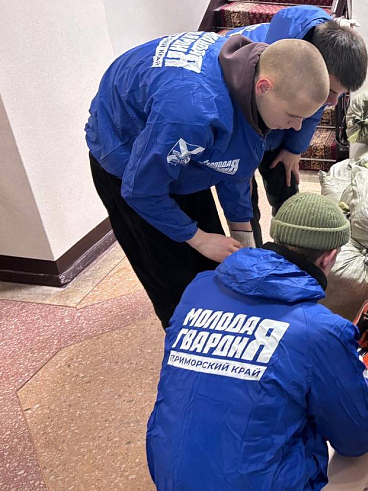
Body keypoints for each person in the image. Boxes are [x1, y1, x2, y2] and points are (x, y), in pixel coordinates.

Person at [146, 192, 368, 491]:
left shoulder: (199, 289)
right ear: (330, 256)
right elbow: (357, 441)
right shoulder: (320, 329)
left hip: (171, 478)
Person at [86, 33, 329, 328]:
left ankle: (218, 321)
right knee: (173, 276)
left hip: (176, 145)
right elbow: (141, 190)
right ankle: (186, 335)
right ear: (264, 87)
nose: (297, 127)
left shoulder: (255, 76)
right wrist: (198, 238)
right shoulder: (192, 114)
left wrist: (243, 238)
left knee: (214, 260)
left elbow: (235, 160)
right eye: (292, 115)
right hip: (127, 157)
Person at [227, 6, 368, 245]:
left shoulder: (322, 57)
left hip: (277, 129)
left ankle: (292, 248)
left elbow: (312, 110)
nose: (333, 102)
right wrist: (242, 167)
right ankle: (254, 254)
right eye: (331, 92)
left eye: (341, 94)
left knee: (286, 183)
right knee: (244, 202)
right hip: (243, 125)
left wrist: (294, 148)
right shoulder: (256, 61)